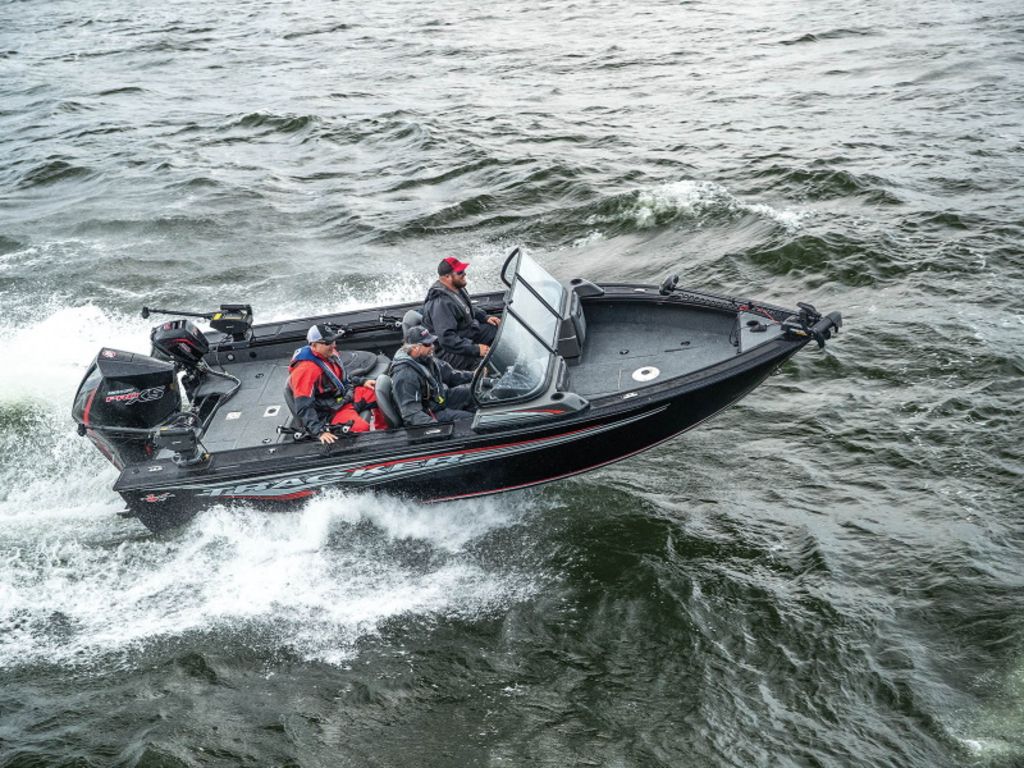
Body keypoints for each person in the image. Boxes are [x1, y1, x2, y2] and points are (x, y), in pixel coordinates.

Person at [286, 324, 386, 443]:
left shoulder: (330, 354)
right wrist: (319, 431)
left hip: (343, 398)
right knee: (360, 428)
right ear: (314, 345)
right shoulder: (306, 370)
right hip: (331, 411)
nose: (334, 345)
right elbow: (303, 406)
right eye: (328, 343)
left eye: (333, 341)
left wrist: (362, 381)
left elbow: (340, 378)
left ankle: (385, 432)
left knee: (381, 393)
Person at [422, 256, 501, 370]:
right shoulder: (440, 303)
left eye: (463, 270)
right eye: (460, 272)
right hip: (445, 352)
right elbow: (447, 339)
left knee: (494, 330)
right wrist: (475, 349)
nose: (464, 274)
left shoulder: (457, 287)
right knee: (478, 363)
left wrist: (485, 317)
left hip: (464, 334)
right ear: (447, 277)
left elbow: (466, 308)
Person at [389, 325, 478, 426]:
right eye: (427, 344)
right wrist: (436, 428)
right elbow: (412, 414)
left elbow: (451, 375)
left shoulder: (425, 359)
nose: (432, 346)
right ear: (415, 347)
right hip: (430, 413)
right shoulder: (406, 375)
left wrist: (474, 375)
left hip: (438, 399)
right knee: (471, 420)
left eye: (432, 342)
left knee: (475, 393)